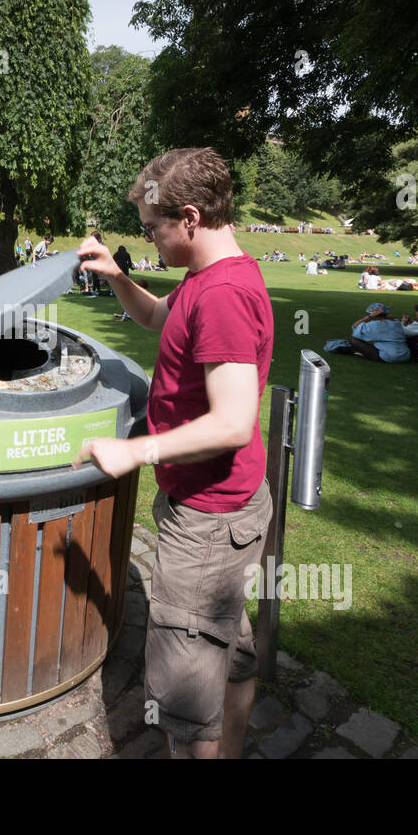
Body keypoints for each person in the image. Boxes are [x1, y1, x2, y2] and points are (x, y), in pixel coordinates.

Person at [71, 147, 274, 759]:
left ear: (188, 218)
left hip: (210, 519)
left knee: (183, 699)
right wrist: (115, 275)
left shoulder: (223, 296)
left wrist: (137, 451)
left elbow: (235, 421)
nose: (150, 240)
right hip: (229, 506)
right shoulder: (208, 277)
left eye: (153, 229)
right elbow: (161, 319)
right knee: (231, 651)